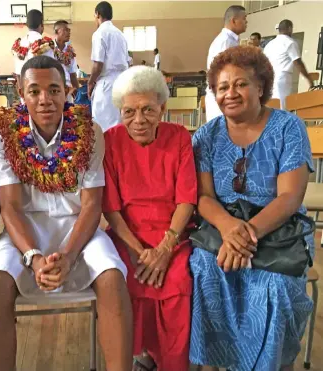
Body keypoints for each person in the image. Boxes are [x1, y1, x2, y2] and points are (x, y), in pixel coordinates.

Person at [0, 55, 133, 371]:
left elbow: (92, 205)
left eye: (53, 89)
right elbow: (9, 206)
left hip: (80, 229)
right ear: (21, 92)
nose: (45, 99)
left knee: (112, 277)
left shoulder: (90, 132)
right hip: (25, 229)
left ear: (67, 90)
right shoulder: (4, 136)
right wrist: (34, 258)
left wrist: (69, 254)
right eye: (34, 91)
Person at [190, 46, 314, 371]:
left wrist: (248, 234)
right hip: (222, 227)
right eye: (222, 87)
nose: (230, 93)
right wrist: (230, 229)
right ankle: (214, 363)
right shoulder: (206, 135)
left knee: (275, 283)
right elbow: (203, 196)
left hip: (277, 227)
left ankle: (269, 365)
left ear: (260, 87)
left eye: (240, 84)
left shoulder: (288, 128)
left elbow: (290, 197)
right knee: (204, 267)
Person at [104, 66, 197, 371]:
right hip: (127, 235)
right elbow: (112, 210)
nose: (139, 120)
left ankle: (171, 361)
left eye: (148, 109)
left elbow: (186, 199)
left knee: (179, 278)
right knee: (123, 277)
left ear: (163, 108)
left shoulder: (180, 137)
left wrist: (166, 247)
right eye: (129, 111)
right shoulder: (110, 141)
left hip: (174, 233)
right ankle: (140, 353)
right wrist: (138, 250)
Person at [88, 1, 129, 132]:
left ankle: (106, 152)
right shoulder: (120, 34)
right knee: (119, 123)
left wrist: (90, 82)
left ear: (97, 14)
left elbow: (98, 64)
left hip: (107, 85)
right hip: (123, 82)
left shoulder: (100, 33)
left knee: (103, 126)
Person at [205, 5, 247, 121]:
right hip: (223, 96)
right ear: (234, 20)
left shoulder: (232, 41)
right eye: (244, 18)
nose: (246, 21)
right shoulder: (225, 42)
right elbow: (222, 73)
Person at [264, 19, 314, 109]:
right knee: (281, 106)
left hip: (268, 77)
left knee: (270, 106)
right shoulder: (290, 42)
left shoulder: (269, 44)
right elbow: (298, 62)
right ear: (290, 28)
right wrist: (309, 79)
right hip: (282, 78)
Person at [11, 9, 55, 88]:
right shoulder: (46, 43)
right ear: (42, 24)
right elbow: (52, 71)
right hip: (42, 90)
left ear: (27, 25)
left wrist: (23, 94)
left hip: (25, 90)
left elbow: (18, 73)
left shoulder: (17, 45)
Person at [53, 20, 80, 101]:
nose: (69, 32)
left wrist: (77, 95)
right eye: (65, 30)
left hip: (67, 89)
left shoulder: (70, 51)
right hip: (53, 88)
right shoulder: (49, 49)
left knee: (67, 113)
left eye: (69, 30)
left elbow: (72, 74)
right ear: (56, 32)